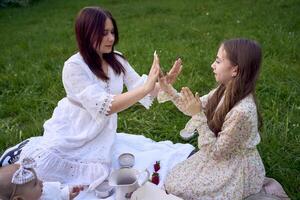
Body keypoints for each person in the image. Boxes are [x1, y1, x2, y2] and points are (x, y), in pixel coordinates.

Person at [13, 6, 167, 188]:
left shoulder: (117, 59)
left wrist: (163, 85)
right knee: (39, 170)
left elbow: (140, 87)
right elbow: (107, 106)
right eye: (104, 33)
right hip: (74, 128)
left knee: (99, 173)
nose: (111, 38)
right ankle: (21, 152)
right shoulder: (73, 67)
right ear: (86, 34)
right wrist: (145, 88)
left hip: (101, 130)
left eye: (112, 32)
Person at [158, 38, 266, 199]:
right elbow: (192, 106)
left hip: (235, 167)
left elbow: (217, 153)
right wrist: (169, 90)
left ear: (235, 70)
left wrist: (198, 116)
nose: (212, 65)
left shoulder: (242, 111)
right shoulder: (223, 90)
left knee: (180, 188)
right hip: (221, 154)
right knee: (174, 180)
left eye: (218, 61)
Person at [0, 157, 84, 200]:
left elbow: (54, 196)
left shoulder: (42, 193)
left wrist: (67, 194)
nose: (41, 182)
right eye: (35, 184)